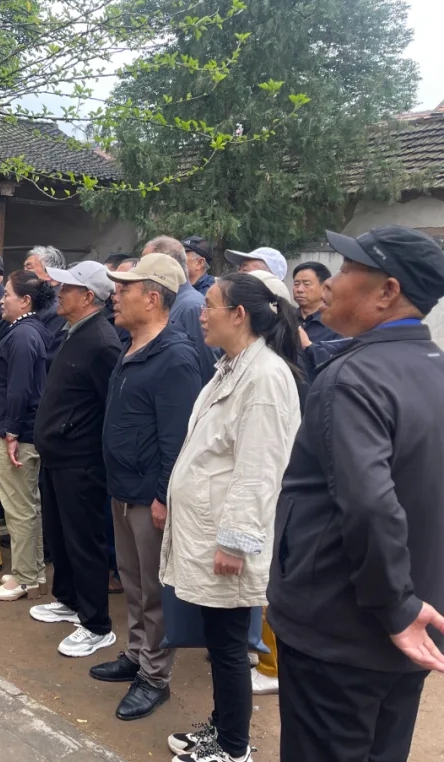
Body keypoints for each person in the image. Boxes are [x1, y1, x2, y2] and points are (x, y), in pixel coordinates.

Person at [267, 226, 444, 762]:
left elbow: (370, 504)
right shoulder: (432, 368)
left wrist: (396, 606)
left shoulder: (354, 377)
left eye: (346, 271)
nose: (330, 283)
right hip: (411, 626)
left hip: (341, 626)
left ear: (387, 292)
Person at [161, 273, 303, 762]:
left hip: (226, 538)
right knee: (221, 642)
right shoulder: (233, 367)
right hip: (210, 529)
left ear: (238, 315)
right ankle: (221, 728)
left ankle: (233, 747)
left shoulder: (265, 378)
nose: (201, 315)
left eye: (210, 306)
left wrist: (235, 542)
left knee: (228, 647)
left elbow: (260, 470)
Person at [91, 253, 204, 721]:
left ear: (153, 298)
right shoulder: (133, 345)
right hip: (123, 487)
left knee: (155, 589)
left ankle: (155, 676)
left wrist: (163, 497)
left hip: (149, 496)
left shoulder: (175, 356)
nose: (115, 296)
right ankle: (137, 654)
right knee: (134, 581)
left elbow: (178, 439)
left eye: (125, 289)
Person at [30, 262, 122, 651]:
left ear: (87, 297)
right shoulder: (73, 332)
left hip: (81, 461)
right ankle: (67, 600)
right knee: (60, 535)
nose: (58, 293)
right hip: (57, 454)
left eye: (67, 288)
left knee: (84, 541)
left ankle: (97, 624)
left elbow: (109, 407)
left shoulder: (101, 342)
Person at [0, 270, 56, 599]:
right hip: (20, 430)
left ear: (25, 300)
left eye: (8, 294)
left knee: (18, 507)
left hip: (17, 433)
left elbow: (20, 388)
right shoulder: (27, 330)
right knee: (27, 505)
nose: (2, 300)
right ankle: (32, 571)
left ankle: (25, 577)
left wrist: (12, 431)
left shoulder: (25, 335)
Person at [142, 236, 214, 383]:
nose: (139, 270)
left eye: (146, 263)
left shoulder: (192, 306)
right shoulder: (169, 301)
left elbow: (206, 368)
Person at [25, 245, 68, 349]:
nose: (22, 273)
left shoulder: (58, 308)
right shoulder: (35, 299)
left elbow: (44, 349)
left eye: (29, 268)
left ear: (48, 274)